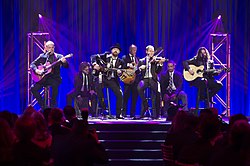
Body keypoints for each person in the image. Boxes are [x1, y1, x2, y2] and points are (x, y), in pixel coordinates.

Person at [30, 41, 69, 109]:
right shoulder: (42, 56)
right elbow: (32, 64)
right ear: (46, 48)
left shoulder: (58, 56)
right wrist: (37, 70)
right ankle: (43, 106)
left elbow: (66, 66)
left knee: (54, 86)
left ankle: (53, 106)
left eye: (52, 47)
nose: (51, 49)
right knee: (33, 89)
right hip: (43, 78)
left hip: (54, 78)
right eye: (49, 47)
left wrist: (65, 62)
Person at [91, 43, 124, 119]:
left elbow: (121, 74)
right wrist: (95, 64)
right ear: (111, 50)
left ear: (119, 52)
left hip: (113, 80)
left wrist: (119, 73)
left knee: (119, 94)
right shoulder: (106, 56)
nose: (115, 50)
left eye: (117, 49)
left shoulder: (121, 62)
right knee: (99, 88)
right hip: (103, 78)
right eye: (114, 49)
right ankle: (104, 108)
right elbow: (93, 57)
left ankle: (119, 114)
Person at [137, 45, 165, 119]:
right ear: (146, 52)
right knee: (139, 87)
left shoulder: (155, 61)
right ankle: (145, 104)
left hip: (153, 79)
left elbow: (158, 71)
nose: (152, 53)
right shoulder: (141, 61)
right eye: (150, 51)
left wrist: (161, 64)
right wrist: (140, 68)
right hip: (144, 79)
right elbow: (136, 72)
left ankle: (156, 114)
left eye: (153, 51)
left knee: (157, 94)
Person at [121, 44, 141, 119]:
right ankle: (124, 113)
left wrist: (139, 69)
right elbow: (123, 66)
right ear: (130, 50)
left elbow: (138, 71)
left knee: (135, 97)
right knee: (126, 96)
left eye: (135, 50)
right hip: (127, 80)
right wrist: (130, 65)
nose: (134, 51)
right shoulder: (125, 57)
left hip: (135, 81)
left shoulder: (137, 59)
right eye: (133, 50)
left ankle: (133, 113)